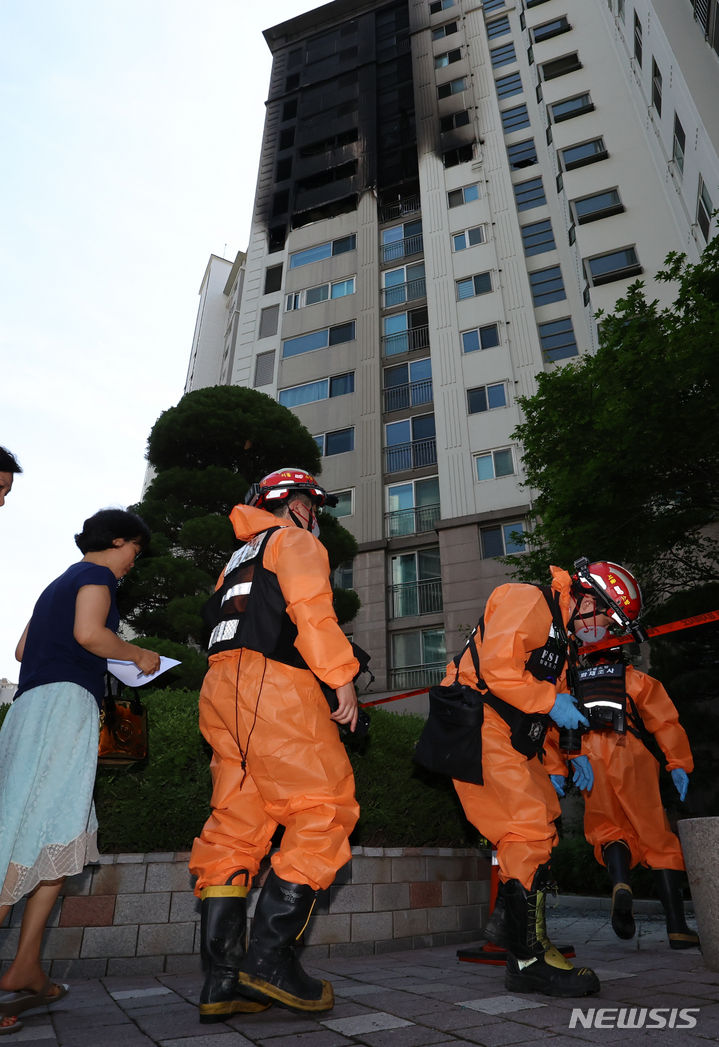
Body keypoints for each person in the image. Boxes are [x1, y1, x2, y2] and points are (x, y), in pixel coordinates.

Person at [189, 467, 360, 1022]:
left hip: (220, 692)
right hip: (277, 688)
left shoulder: (233, 561)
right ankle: (268, 960)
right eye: (314, 504)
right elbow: (311, 610)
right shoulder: (295, 541)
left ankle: (222, 981)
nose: (317, 515)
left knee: (233, 831)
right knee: (322, 810)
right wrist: (342, 677)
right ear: (294, 503)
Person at [0, 509, 160, 1025]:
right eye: (135, 550)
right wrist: (138, 653)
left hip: (28, 708)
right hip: (63, 709)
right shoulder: (95, 576)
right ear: (119, 540)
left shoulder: (57, 582)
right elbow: (91, 635)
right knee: (24, 831)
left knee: (55, 831)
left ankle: (25, 968)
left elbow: (23, 649)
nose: (134, 561)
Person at [443, 561, 605, 997]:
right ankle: (527, 960)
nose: (604, 629)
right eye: (605, 617)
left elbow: (544, 710)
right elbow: (498, 670)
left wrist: (564, 761)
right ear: (587, 600)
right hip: (478, 721)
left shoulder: (562, 643)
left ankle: (514, 934)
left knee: (542, 827)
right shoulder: (527, 598)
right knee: (526, 826)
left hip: (510, 734)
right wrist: (553, 700)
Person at [545, 561, 698, 950]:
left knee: (608, 830)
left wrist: (558, 766)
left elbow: (555, 723)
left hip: (586, 756)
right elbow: (666, 723)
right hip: (628, 750)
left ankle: (620, 882)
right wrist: (679, 763)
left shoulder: (568, 679)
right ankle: (678, 927)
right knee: (656, 836)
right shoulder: (635, 680)